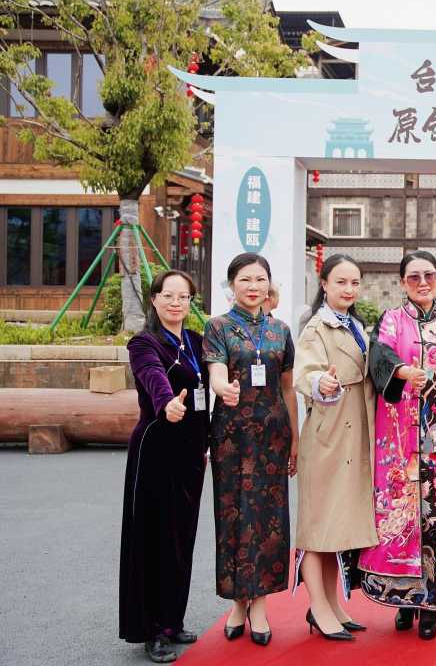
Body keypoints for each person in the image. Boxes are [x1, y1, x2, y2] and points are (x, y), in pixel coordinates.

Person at [360, 251, 436, 641]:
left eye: (429, 276)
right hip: (402, 442)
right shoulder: (392, 320)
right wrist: (404, 371)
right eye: (413, 277)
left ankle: (430, 606)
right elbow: (380, 355)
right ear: (402, 282)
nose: (423, 283)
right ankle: (404, 601)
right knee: (404, 521)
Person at [204, 253, 298, 647]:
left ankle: (258, 603)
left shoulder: (280, 330)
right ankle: (238, 602)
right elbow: (215, 371)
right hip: (232, 437)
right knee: (233, 515)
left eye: (260, 279)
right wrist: (222, 388)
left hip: (273, 438)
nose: (253, 286)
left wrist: (295, 438)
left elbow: (288, 388)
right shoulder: (218, 326)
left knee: (267, 519)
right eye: (245, 279)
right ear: (232, 285)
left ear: (268, 284)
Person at [119, 270, 209, 663]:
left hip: (191, 452)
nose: (175, 302)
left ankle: (173, 619)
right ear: (154, 299)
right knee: (153, 537)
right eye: (168, 295)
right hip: (156, 448)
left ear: (190, 302)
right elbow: (152, 376)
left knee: (181, 537)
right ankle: (151, 629)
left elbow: (211, 384)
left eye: (183, 296)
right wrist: (166, 402)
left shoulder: (196, 341)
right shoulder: (144, 343)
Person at [292, 254, 377, 642]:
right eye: (341, 282)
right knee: (318, 526)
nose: (349, 289)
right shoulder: (316, 327)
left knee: (335, 526)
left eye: (355, 282)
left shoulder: (355, 324)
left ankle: (331, 604)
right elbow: (306, 372)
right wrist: (320, 384)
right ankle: (318, 607)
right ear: (324, 284)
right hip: (329, 434)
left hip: (353, 431)